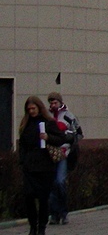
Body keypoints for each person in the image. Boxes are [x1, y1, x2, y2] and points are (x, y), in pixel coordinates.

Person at [19, 96, 65, 235]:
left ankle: (41, 228)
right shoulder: (26, 124)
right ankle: (33, 226)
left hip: (45, 166)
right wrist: (22, 161)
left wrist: (48, 137)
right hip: (30, 167)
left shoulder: (48, 122)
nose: (31, 111)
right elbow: (22, 144)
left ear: (39, 107)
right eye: (29, 109)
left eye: (33, 108)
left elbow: (60, 139)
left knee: (43, 198)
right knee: (29, 197)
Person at [46, 92, 81, 226]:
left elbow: (78, 133)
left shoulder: (68, 116)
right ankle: (54, 214)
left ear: (60, 102)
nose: (53, 105)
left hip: (63, 154)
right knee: (52, 184)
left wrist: (68, 143)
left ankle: (63, 211)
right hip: (49, 154)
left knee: (60, 182)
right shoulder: (47, 117)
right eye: (51, 103)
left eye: (55, 102)